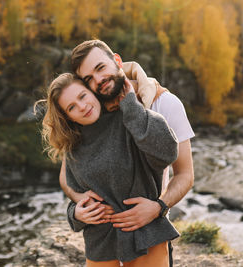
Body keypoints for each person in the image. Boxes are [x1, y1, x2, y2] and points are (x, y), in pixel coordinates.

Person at [60, 40, 195, 266]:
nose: (98, 80)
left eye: (100, 68)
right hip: (103, 243)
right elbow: (68, 176)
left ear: (118, 61)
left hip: (149, 232)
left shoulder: (166, 104)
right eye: (88, 80)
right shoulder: (92, 110)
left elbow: (185, 174)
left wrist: (158, 208)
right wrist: (79, 206)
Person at [40, 72, 179, 266]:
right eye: (71, 107)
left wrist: (131, 104)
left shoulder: (128, 119)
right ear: (67, 116)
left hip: (145, 235)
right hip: (100, 244)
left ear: (92, 92)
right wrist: (76, 214)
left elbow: (168, 152)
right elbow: (78, 196)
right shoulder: (72, 146)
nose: (82, 106)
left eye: (82, 96)